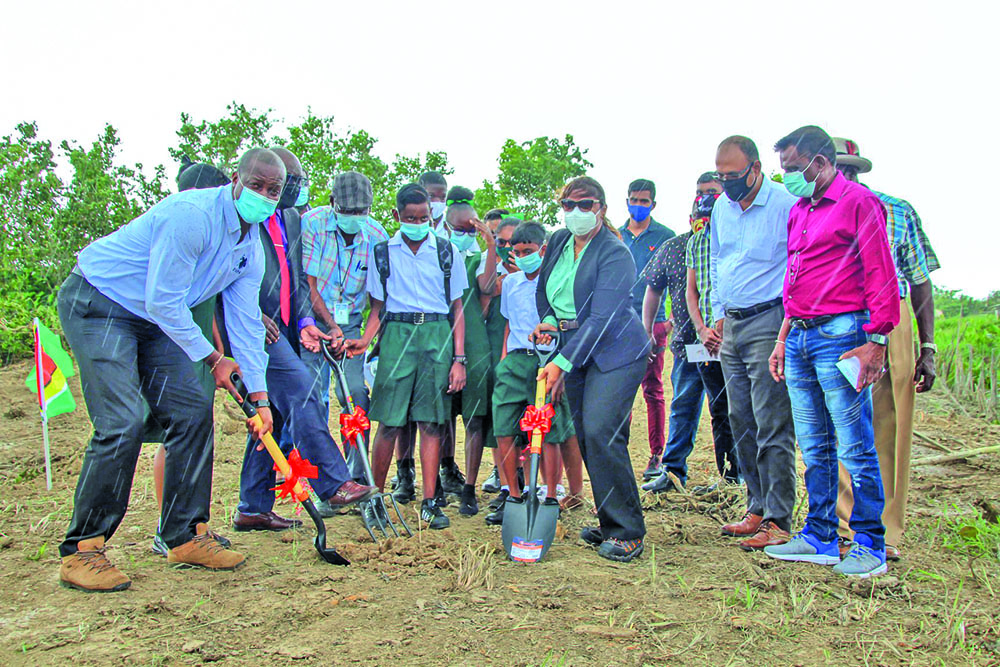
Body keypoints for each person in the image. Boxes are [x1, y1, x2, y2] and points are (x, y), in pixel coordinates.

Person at [57, 148, 283, 592]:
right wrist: (214, 359)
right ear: (236, 180)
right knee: (122, 420)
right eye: (256, 185)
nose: (263, 195)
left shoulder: (250, 245)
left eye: (272, 190)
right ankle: (83, 549)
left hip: (154, 317)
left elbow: (244, 321)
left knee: (193, 411)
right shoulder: (191, 216)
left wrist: (260, 397)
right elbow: (164, 299)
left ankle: (183, 535)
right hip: (101, 302)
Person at [765, 125, 898, 578]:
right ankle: (819, 536)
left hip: (843, 334)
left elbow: (881, 271)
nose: (788, 178)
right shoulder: (799, 210)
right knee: (814, 443)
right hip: (801, 334)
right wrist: (783, 337)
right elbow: (794, 279)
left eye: (794, 168)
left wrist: (877, 340)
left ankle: (869, 543)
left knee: (853, 442)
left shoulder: (859, 204)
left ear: (821, 163)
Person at [223, 148, 377, 528]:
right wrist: (255, 315)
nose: (290, 189)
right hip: (255, 328)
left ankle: (253, 506)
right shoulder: (244, 217)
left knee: (271, 413)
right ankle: (334, 481)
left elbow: (297, 278)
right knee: (304, 390)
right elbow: (226, 274)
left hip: (290, 327)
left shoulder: (291, 218)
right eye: (285, 182)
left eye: (293, 182)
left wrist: (307, 319)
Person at [833, 137, 941, 562]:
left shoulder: (896, 209)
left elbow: (919, 280)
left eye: (847, 168)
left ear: (857, 171)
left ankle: (886, 530)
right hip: (836, 315)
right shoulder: (811, 212)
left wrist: (927, 345)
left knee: (889, 423)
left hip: (889, 315)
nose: (842, 175)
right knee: (836, 420)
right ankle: (842, 525)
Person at [532, 176, 650, 563]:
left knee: (602, 430)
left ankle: (628, 531)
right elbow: (543, 292)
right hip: (575, 349)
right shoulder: (560, 242)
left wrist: (560, 364)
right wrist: (550, 321)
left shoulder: (614, 253)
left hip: (616, 353)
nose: (576, 213)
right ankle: (610, 517)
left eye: (586, 205)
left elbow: (601, 319)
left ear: (601, 207)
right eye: (569, 205)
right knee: (586, 434)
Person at [343, 183, 468, 530]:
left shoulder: (446, 252)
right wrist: (365, 342)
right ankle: (376, 498)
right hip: (396, 335)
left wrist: (459, 360)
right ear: (397, 216)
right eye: (410, 218)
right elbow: (377, 307)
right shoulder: (383, 252)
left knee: (431, 421)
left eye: (424, 217)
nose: (417, 223)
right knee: (390, 421)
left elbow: (457, 308)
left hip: (436, 334)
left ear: (431, 216)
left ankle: (430, 501)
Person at [711, 136, 797, 551]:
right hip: (733, 323)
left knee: (771, 421)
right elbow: (718, 260)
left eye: (734, 175)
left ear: (756, 168)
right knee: (740, 419)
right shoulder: (721, 208)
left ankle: (779, 517)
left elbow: (796, 262)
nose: (727, 183)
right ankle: (756, 506)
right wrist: (718, 313)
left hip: (769, 320)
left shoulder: (783, 204)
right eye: (720, 176)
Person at [148, 160, 232, 556]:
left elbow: (210, 307)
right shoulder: (179, 228)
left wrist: (216, 356)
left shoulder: (215, 239)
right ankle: (167, 529)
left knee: (198, 429)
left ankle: (194, 526)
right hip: (166, 342)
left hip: (200, 347)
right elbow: (165, 304)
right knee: (174, 434)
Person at [640, 173, 739, 494]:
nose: (704, 206)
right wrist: (647, 331)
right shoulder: (675, 247)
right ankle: (672, 471)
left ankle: (731, 476)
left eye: (712, 194)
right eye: (700, 197)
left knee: (725, 410)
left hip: (726, 345)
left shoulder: (734, 243)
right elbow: (653, 290)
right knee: (683, 405)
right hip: (687, 345)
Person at [491, 221, 584, 524]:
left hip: (547, 362)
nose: (522, 256)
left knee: (547, 431)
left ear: (543, 249)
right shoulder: (511, 284)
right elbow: (509, 325)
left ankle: (551, 495)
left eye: (528, 251)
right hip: (515, 360)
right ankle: (514, 495)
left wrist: (560, 364)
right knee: (504, 426)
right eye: (517, 252)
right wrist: (505, 361)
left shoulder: (555, 283)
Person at [300, 171, 389, 485]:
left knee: (354, 395)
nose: (354, 217)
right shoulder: (311, 224)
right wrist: (328, 326)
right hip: (311, 320)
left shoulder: (377, 235)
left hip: (352, 323)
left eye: (361, 211)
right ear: (332, 203)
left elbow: (379, 299)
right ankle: (325, 480)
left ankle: (356, 476)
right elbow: (308, 285)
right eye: (347, 211)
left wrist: (365, 338)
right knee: (311, 398)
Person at [443, 185, 499, 515]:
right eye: (459, 229)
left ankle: (469, 488)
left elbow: (488, 286)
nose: (465, 234)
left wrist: (489, 244)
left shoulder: (478, 258)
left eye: (470, 229)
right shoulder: (437, 255)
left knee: (474, 420)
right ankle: (437, 483)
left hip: (476, 348)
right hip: (440, 344)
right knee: (441, 419)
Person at [684, 172, 738, 494]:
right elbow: (693, 292)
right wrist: (702, 328)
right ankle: (728, 477)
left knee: (743, 408)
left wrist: (723, 325)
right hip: (707, 340)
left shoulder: (736, 232)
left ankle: (751, 480)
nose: (705, 198)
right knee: (718, 409)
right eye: (700, 192)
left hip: (736, 331)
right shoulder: (696, 241)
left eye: (712, 192)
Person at [619, 179, 677, 479]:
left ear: (653, 204)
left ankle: (657, 454)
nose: (638, 206)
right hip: (619, 323)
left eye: (644, 201)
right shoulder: (616, 236)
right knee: (620, 388)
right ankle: (619, 448)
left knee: (652, 388)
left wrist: (666, 323)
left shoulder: (666, 237)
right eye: (633, 200)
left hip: (654, 324)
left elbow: (674, 280)